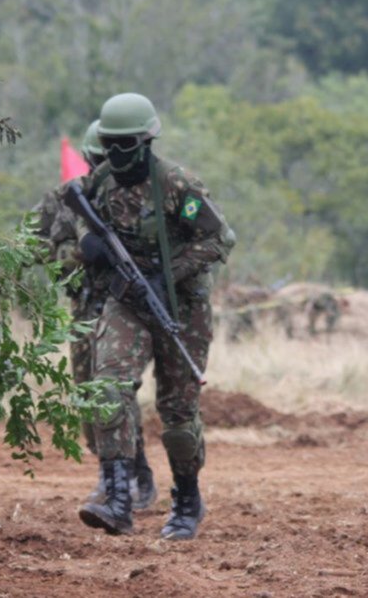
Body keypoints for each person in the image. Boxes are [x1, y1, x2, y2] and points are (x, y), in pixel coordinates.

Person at [74, 92, 234, 539]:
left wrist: (169, 275)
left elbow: (219, 239)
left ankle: (186, 500)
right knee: (107, 389)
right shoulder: (101, 181)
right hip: (126, 301)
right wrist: (92, 244)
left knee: (178, 415)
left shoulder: (178, 186)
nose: (117, 154)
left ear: (146, 142)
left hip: (179, 306)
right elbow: (84, 217)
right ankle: (119, 498)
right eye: (111, 144)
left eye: (126, 144)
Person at [31, 121, 157, 509]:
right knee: (89, 398)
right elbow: (33, 243)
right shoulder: (65, 199)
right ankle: (113, 476)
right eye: (97, 160)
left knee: (115, 394)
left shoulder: (139, 195)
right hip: (85, 310)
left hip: (124, 309)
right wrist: (75, 253)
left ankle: (133, 478)